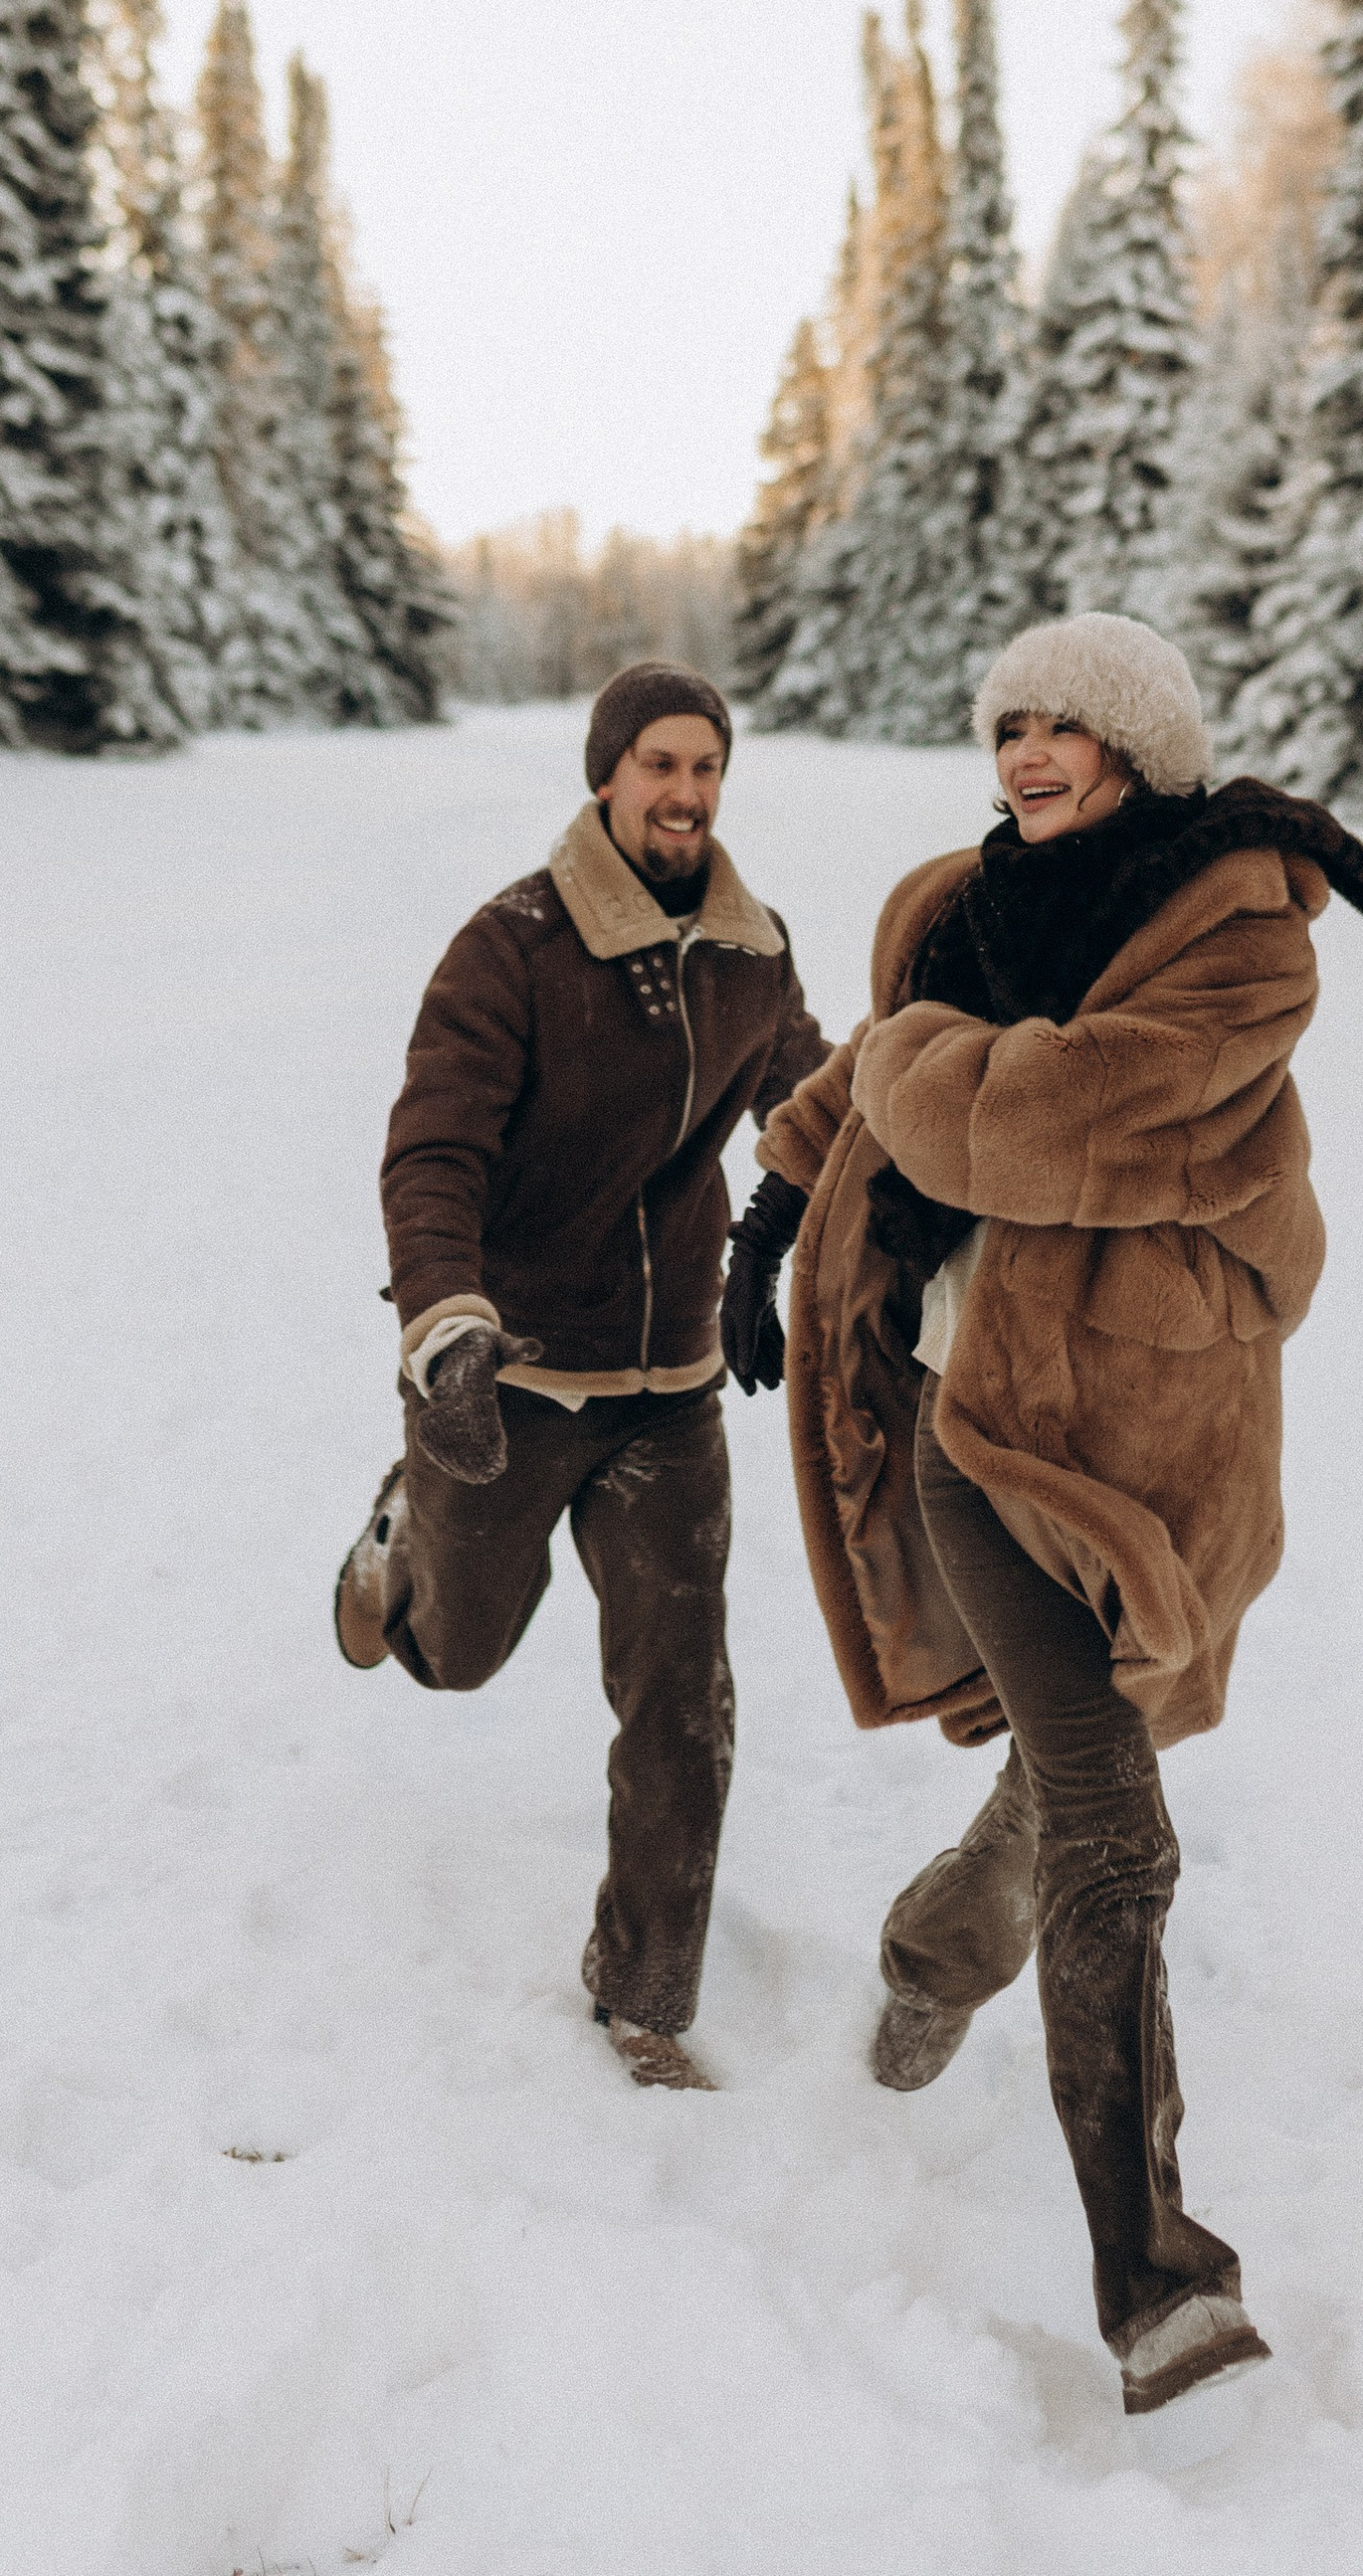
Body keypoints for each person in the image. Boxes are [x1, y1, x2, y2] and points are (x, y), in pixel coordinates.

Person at [718, 612, 1363, 2410]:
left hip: (1155, 1460)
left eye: (1066, 725)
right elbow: (880, 1068)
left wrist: (906, 1074)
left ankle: (927, 1957)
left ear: (1143, 750)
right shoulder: (964, 907)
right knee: (1116, 1824)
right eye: (1008, 720)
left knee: (1053, 1781)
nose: (1027, 751)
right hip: (982, 1437)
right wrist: (773, 1210)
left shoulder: (1239, 943)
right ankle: (1163, 2292)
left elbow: (1011, 1130)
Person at [333, 661, 827, 2091]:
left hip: (667, 1384)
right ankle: (402, 1535)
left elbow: (810, 1103)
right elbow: (432, 1152)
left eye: (706, 767)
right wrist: (446, 1327)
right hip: (512, 1368)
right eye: (658, 764)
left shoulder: (752, 949)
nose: (684, 792)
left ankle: (646, 1999)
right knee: (458, 1654)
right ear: (607, 776)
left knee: (683, 1692)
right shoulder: (514, 946)